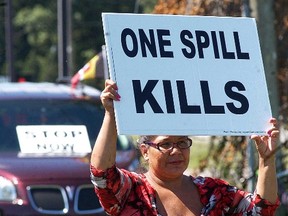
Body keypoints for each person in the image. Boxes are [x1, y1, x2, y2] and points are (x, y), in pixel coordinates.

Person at [90, 79, 280, 216]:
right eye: (165, 144)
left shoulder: (214, 192)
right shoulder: (131, 191)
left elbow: (261, 210)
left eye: (182, 142)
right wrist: (111, 115)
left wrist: (266, 161)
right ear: (145, 151)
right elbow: (102, 175)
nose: (176, 150)